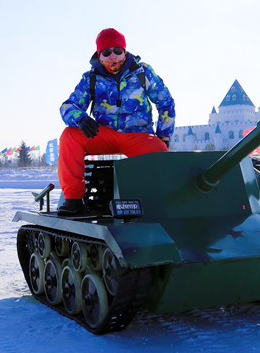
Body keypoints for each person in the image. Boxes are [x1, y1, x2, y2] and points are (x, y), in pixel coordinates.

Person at [57, 28, 175, 214]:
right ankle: (73, 200)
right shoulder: (91, 79)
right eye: (106, 52)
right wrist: (80, 119)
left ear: (125, 51)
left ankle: (163, 202)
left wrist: (164, 136)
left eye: (117, 51)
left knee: (163, 156)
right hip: (104, 134)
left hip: (138, 135)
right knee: (69, 136)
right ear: (99, 54)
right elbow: (68, 106)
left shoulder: (143, 72)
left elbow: (166, 102)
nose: (113, 56)